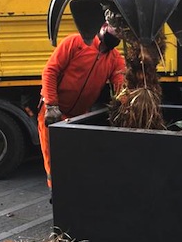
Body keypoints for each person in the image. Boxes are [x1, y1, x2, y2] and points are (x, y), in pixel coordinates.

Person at [38, 23, 125, 190]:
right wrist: (51, 105)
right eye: (117, 29)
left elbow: (121, 87)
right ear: (105, 25)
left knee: (75, 161)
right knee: (53, 160)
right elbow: (50, 71)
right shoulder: (75, 42)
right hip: (53, 113)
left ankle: (72, 196)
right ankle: (55, 194)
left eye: (122, 32)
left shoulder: (114, 59)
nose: (119, 35)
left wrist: (126, 107)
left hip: (78, 117)